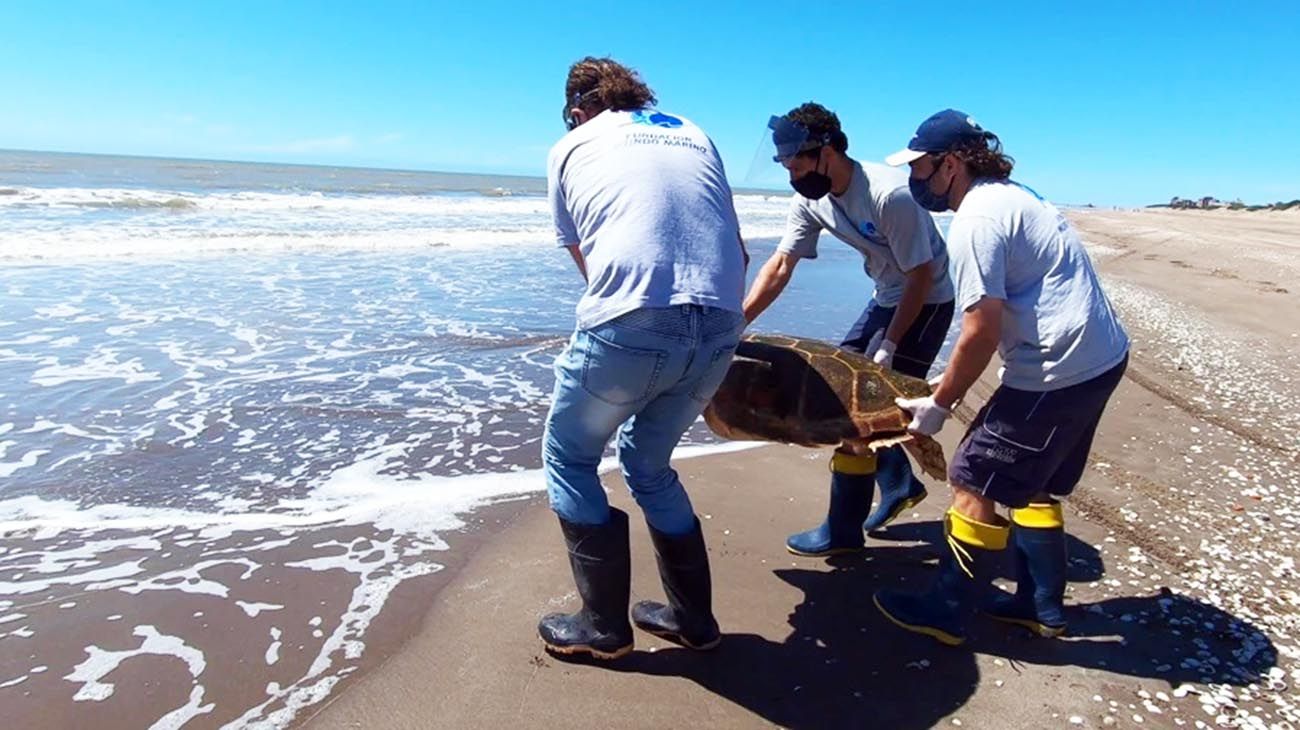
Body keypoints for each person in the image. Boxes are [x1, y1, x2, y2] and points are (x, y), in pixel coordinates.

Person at [873, 110, 1130, 646]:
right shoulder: (1014, 195)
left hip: (1057, 369)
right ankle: (1039, 606)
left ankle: (947, 610)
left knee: (972, 475)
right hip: (1099, 356)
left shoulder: (977, 220)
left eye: (921, 168)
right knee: (1031, 482)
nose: (915, 180)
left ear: (952, 164)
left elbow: (981, 329)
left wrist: (940, 402)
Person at [537, 57, 749, 660]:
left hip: (637, 319)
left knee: (570, 456)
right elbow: (734, 246)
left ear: (578, 111)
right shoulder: (693, 131)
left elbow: (585, 254)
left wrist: (630, 321)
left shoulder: (572, 142)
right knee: (649, 464)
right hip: (722, 317)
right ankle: (693, 619)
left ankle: (602, 626)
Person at [743, 103, 956, 556]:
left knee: (859, 413)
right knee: (835, 396)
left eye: (797, 161)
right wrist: (735, 324)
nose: (792, 173)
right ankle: (898, 483)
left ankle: (843, 530)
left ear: (829, 150)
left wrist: (892, 342)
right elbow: (781, 265)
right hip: (885, 295)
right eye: (784, 164)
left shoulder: (888, 194)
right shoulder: (809, 199)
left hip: (929, 300)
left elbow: (919, 275)